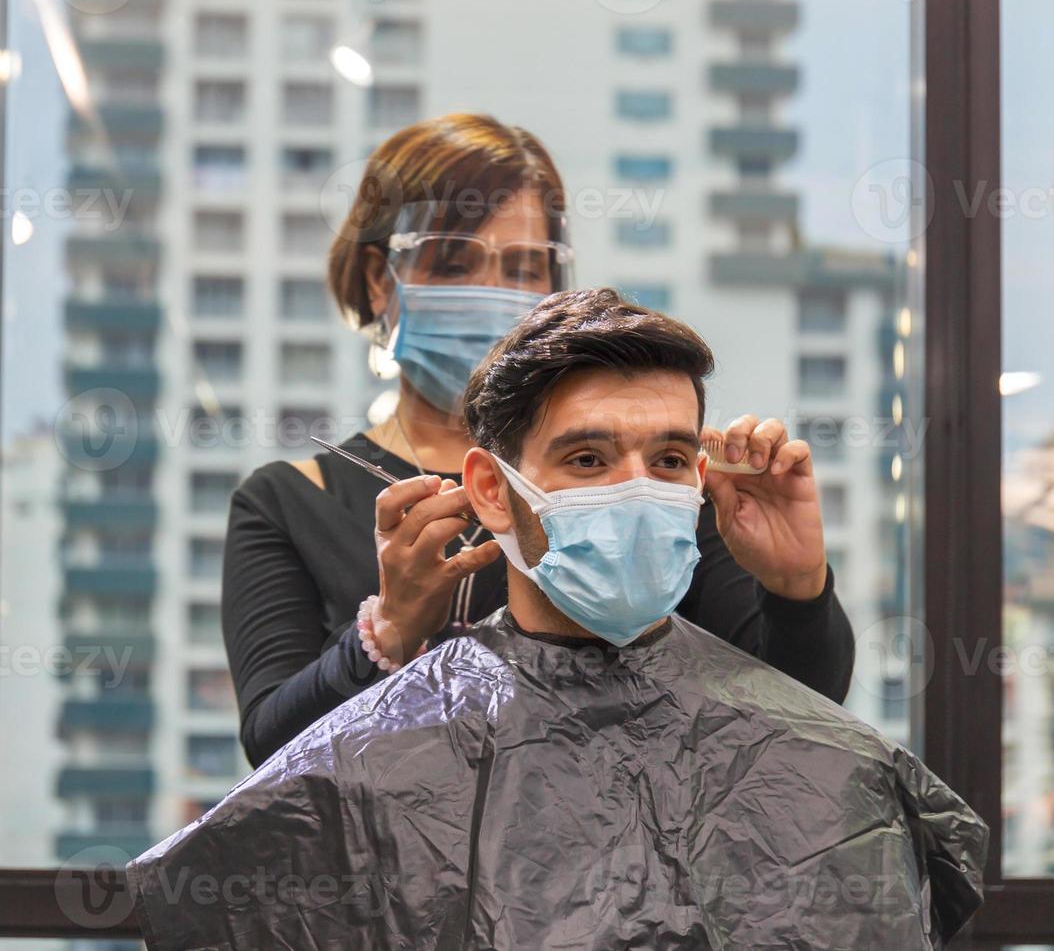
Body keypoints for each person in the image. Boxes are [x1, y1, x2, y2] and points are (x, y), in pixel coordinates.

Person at [130, 289, 987, 949]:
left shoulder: (840, 773)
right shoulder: (365, 769)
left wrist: (799, 585)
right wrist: (390, 630)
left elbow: (788, 728)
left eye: (669, 459)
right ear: (495, 490)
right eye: (587, 457)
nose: (635, 489)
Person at [222, 113, 853, 766]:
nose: (494, 294)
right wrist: (387, 629)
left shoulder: (648, 485)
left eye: (525, 268)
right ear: (384, 280)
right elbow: (273, 753)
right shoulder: (289, 503)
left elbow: (797, 707)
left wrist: (796, 585)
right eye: (456, 262)